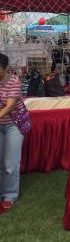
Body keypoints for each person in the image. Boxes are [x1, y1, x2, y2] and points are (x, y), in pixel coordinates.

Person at [0, 53, 26, 211]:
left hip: (13, 125)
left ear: (6, 68)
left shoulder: (14, 81)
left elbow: (9, 106)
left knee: (10, 162)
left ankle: (9, 195)